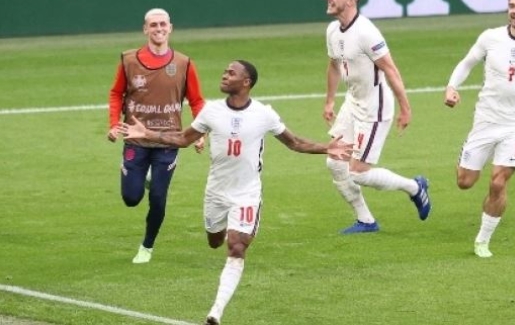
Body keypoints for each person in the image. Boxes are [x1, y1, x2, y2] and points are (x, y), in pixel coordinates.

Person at [119, 60, 352, 325]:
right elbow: (183, 139)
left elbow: (295, 142)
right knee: (214, 240)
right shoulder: (211, 111)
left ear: (246, 82)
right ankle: (219, 239)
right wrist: (147, 133)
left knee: (237, 245)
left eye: (231, 73)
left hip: (246, 193)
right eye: (225, 71)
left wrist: (327, 147)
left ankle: (215, 312)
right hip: (216, 192)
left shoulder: (264, 114)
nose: (225, 75)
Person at [444, 0, 515, 258]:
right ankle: (471, 159)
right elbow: (467, 63)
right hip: (486, 119)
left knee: (497, 182)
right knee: (464, 181)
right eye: (512, 6)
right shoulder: (490, 37)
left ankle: (483, 240)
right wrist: (452, 86)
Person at [323, 0, 431, 234]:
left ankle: (415, 187)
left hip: (374, 108)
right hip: (352, 103)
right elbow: (334, 65)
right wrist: (329, 100)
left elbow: (390, 69)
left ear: (351, 0)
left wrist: (406, 108)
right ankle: (366, 221)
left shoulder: (366, 32)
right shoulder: (332, 30)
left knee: (358, 172)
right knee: (335, 161)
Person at [107, 8, 206, 264]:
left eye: (163, 24)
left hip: (168, 140)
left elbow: (196, 100)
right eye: (153, 25)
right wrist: (114, 124)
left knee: (158, 198)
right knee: (131, 198)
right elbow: (116, 93)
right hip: (136, 139)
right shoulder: (129, 60)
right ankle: (141, 177)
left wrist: (199, 132)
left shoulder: (184, 63)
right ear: (145, 29)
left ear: (170, 28)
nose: (159, 29)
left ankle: (147, 246)